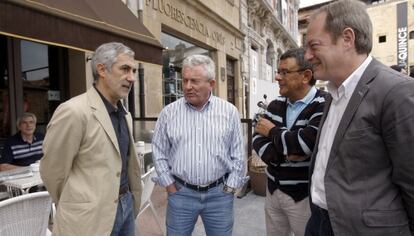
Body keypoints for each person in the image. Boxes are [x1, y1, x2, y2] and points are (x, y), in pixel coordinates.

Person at [304, 0, 414, 235]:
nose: (307, 55)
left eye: (314, 46)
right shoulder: (334, 91)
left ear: (347, 39)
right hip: (320, 221)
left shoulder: (396, 91)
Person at [40, 42, 142, 236]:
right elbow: (52, 172)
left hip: (126, 205)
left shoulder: (124, 114)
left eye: (134, 71)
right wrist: (79, 204)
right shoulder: (74, 111)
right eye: (125, 69)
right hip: (90, 217)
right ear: (101, 69)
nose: (131, 78)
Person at [152, 54, 248, 236]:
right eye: (185, 80)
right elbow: (158, 151)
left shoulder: (229, 112)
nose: (188, 87)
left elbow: (238, 154)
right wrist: (170, 186)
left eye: (194, 81)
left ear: (211, 84)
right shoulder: (168, 113)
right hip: (181, 194)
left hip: (219, 195)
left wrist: (229, 188)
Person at [253, 48, 327, 236]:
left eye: (284, 72)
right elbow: (257, 138)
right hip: (273, 192)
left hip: (303, 197)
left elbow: (303, 145)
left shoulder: (324, 104)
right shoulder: (277, 104)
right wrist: (285, 153)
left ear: (306, 76)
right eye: (278, 71)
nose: (277, 77)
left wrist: (272, 131)